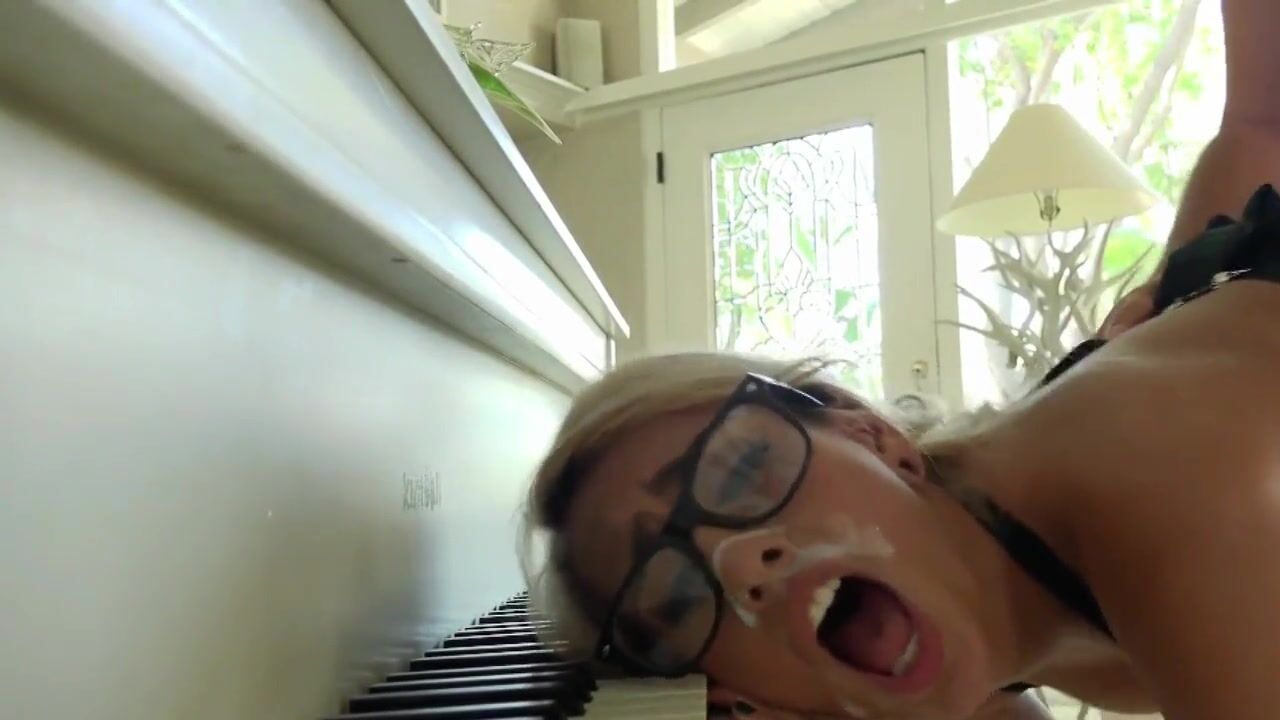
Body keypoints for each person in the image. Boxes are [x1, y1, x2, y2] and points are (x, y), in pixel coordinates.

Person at [519, 1, 1280, 717]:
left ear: (870, 434)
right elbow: (1259, 127)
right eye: (675, 604)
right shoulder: (990, 586)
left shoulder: (1157, 494)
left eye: (744, 470)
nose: (738, 567)